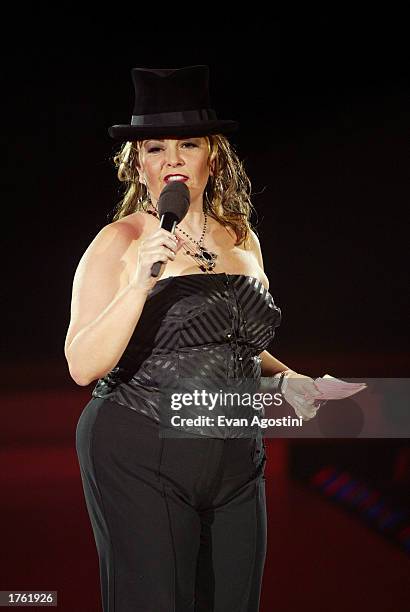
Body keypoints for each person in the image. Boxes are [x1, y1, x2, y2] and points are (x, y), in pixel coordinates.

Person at [66, 65, 325, 612]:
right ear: (138, 161)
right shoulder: (122, 240)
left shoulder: (242, 238)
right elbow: (83, 365)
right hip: (141, 443)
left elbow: (237, 340)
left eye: (188, 144)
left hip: (234, 451)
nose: (173, 159)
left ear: (215, 155)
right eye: (155, 148)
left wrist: (290, 378)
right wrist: (141, 283)